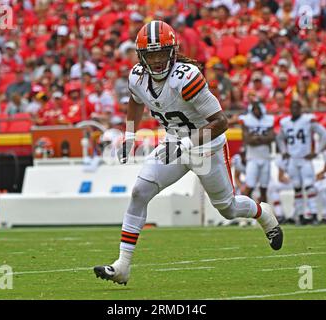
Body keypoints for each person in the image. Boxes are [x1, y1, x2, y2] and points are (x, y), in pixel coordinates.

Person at [94, 21, 283, 285]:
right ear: (141, 56)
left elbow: (220, 122)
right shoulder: (137, 76)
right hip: (174, 142)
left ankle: (263, 213)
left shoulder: (186, 77)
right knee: (139, 192)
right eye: (151, 54)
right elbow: (136, 100)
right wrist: (130, 135)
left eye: (162, 53)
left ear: (172, 52)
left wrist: (184, 145)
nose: (157, 60)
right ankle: (123, 265)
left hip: (206, 147)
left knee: (227, 209)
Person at [277, 100, 326, 225]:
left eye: (297, 107)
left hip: (305, 159)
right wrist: (284, 151)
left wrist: (316, 151)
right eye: (292, 107)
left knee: (309, 186)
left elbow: (325, 134)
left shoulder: (307, 120)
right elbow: (279, 138)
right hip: (293, 160)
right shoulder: (285, 123)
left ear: (301, 108)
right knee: (296, 188)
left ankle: (314, 214)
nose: (294, 109)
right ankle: (300, 215)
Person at [239, 101, 275, 203]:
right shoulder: (247, 120)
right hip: (252, 158)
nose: (257, 111)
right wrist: (263, 138)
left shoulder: (268, 120)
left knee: (264, 189)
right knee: (249, 186)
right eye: (254, 109)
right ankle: (245, 211)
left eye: (258, 109)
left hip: (265, 158)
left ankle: (262, 213)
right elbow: (247, 139)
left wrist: (256, 138)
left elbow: (272, 137)